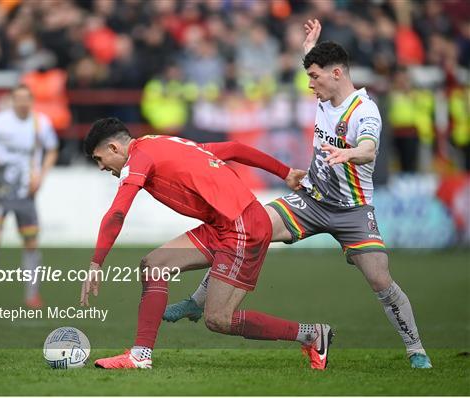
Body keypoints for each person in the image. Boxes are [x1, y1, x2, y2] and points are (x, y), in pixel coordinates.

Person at [163, 19, 432, 369]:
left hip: (352, 210)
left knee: (381, 278)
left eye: (315, 77)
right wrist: (309, 45)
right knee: (246, 229)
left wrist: (348, 153)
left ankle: (416, 349)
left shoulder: (364, 111)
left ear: (337, 74)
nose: (310, 85)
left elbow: (368, 149)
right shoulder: (326, 88)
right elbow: (315, 61)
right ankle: (197, 303)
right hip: (309, 200)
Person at [80, 117, 333, 371]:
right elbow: (235, 148)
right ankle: (140, 354)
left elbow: (117, 213)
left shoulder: (138, 159)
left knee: (218, 320)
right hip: (222, 224)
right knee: (153, 265)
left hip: (242, 227)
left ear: (114, 148)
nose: (101, 167)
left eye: (99, 159)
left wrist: (96, 262)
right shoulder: (161, 142)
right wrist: (286, 172)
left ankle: (311, 335)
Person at [0, 85, 59, 309]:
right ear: (12, 101)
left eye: (26, 99)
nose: (23, 103)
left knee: (31, 243)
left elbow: (52, 149)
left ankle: (32, 295)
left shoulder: (40, 123)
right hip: (0, 190)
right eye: (18, 99)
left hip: (26, 192)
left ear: (32, 100)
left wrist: (41, 176)